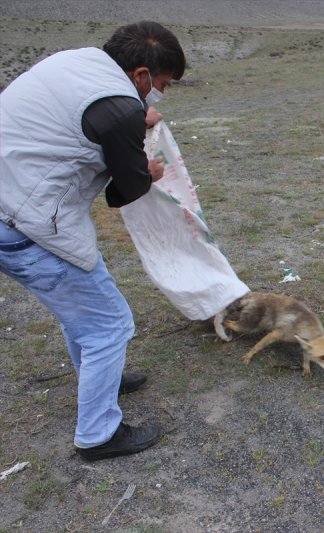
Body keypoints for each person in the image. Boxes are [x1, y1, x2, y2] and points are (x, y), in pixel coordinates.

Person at [0, 21, 186, 461]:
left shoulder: (80, 61)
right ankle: (99, 434)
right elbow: (124, 191)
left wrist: (136, 115)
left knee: (82, 306)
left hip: (15, 200)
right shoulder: (120, 109)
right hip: (26, 222)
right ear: (141, 75)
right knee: (110, 323)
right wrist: (150, 172)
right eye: (161, 85)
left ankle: (101, 374)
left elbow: (83, 118)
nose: (161, 94)